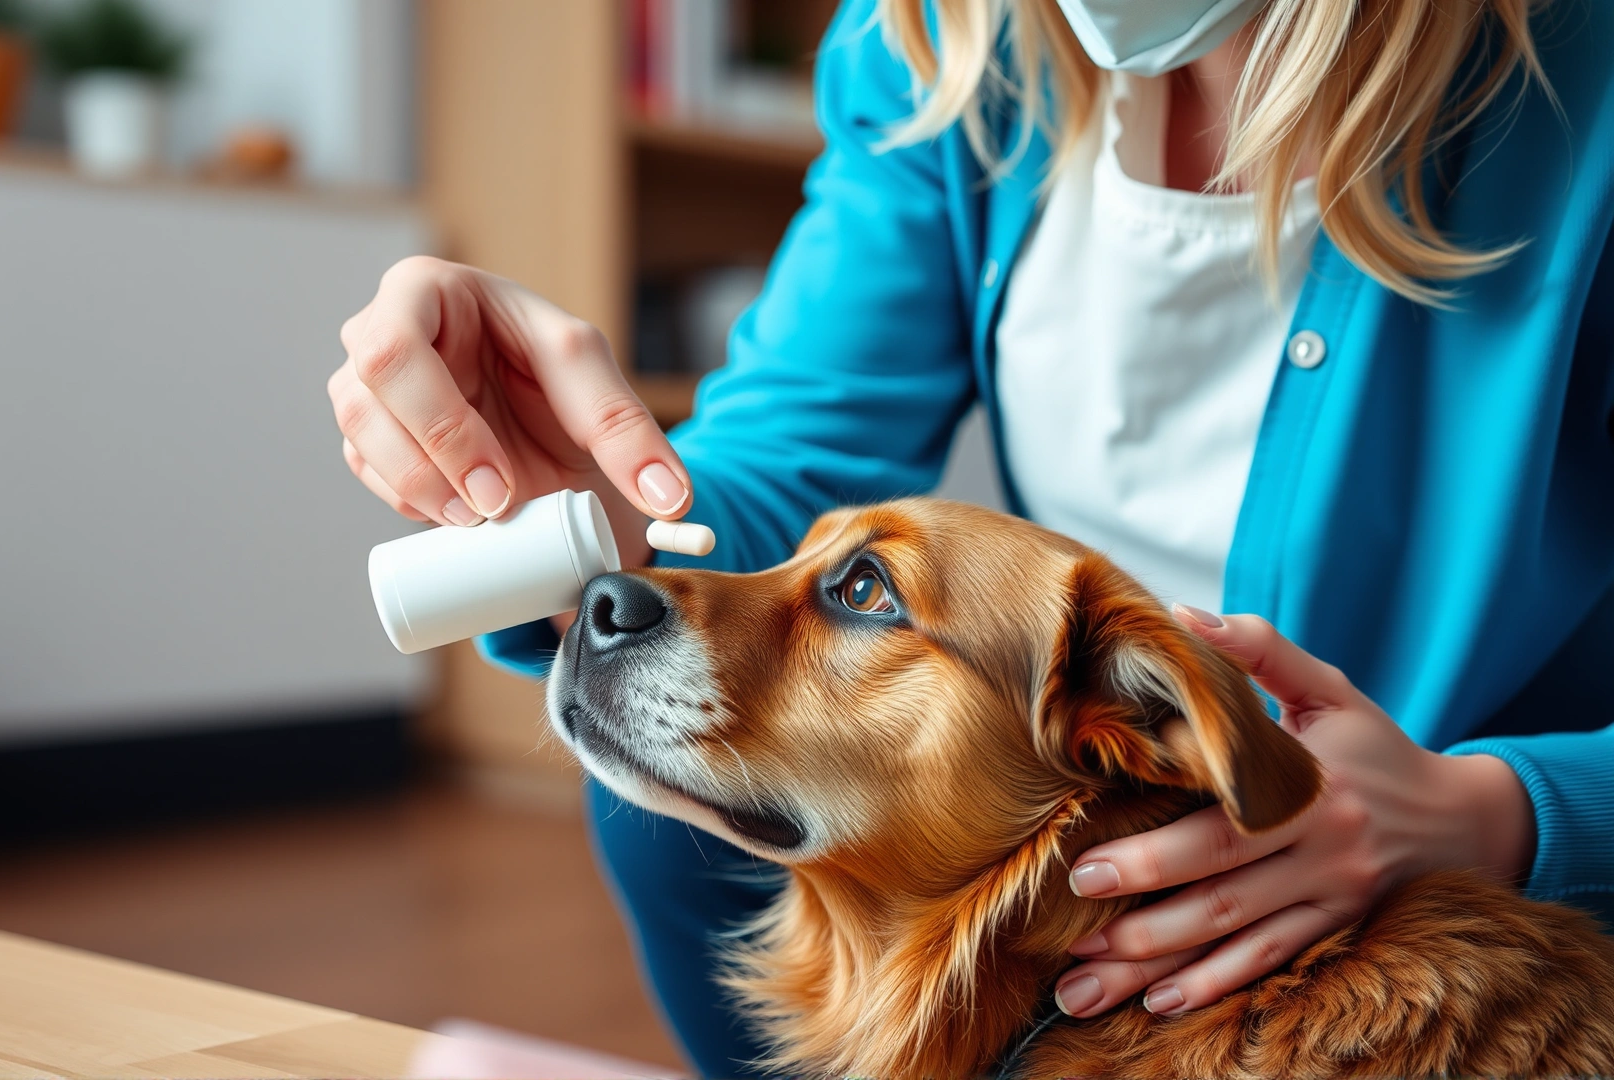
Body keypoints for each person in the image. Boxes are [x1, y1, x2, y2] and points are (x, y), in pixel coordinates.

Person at [328, 0, 1614, 1073]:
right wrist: (587, 510)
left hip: (1468, 863)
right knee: (677, 804)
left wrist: (1497, 808)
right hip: (1038, 771)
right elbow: (781, 468)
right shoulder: (940, 47)